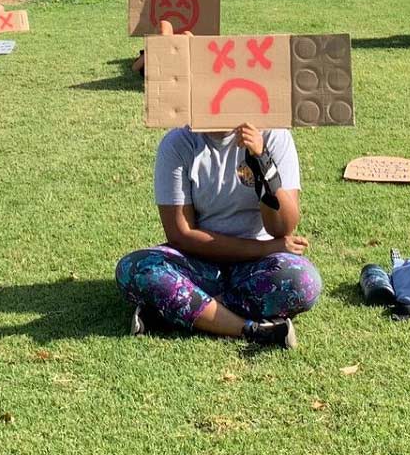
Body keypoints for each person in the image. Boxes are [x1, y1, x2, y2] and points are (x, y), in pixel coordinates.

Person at [116, 122, 320, 349]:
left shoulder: (273, 136)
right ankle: (250, 329)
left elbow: (282, 228)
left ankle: (176, 308)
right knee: (134, 268)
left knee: (303, 281)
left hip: (256, 267)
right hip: (200, 261)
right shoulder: (178, 142)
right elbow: (181, 235)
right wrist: (266, 248)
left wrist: (262, 161)